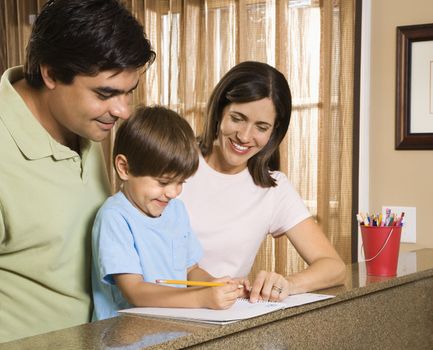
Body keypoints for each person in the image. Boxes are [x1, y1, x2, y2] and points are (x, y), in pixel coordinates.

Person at [0, 0, 155, 342]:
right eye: (106, 93)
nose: (123, 111)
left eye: (130, 93)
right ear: (51, 73)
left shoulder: (83, 125)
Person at [180, 61, 346, 303]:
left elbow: (334, 267)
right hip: (156, 309)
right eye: (237, 118)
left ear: (273, 132)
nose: (244, 136)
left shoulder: (273, 188)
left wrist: (287, 284)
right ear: (219, 112)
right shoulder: (174, 161)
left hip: (223, 321)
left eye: (261, 127)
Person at [92, 106, 244, 321]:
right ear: (124, 168)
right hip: (123, 337)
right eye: (163, 182)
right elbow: (135, 291)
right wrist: (202, 298)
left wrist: (216, 284)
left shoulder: (176, 211)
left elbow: (191, 270)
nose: (173, 192)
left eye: (180, 182)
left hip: (171, 330)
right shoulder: (114, 217)